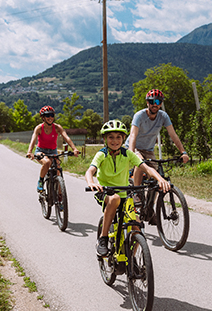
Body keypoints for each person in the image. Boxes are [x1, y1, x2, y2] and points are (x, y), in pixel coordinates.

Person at [85, 120, 170, 256]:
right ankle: (103, 238)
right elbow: (90, 171)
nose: (115, 140)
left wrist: (160, 179)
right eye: (111, 137)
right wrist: (91, 182)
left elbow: (146, 168)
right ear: (105, 139)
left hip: (124, 194)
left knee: (137, 227)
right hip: (105, 192)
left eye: (118, 137)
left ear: (124, 138)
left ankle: (132, 262)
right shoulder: (102, 154)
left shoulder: (127, 154)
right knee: (115, 199)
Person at [127, 89, 190, 187]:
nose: (154, 105)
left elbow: (173, 135)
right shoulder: (139, 116)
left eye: (158, 102)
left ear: (161, 103)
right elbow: (133, 135)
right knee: (140, 163)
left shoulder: (163, 116)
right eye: (152, 101)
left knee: (157, 175)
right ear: (147, 102)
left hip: (148, 150)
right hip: (135, 147)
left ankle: (152, 201)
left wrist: (183, 152)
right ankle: (136, 192)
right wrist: (131, 153)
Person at [26, 105, 81, 191]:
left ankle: (60, 197)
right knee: (47, 162)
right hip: (41, 150)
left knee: (58, 169)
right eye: (47, 115)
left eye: (52, 115)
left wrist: (74, 149)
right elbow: (33, 140)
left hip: (53, 151)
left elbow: (66, 137)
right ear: (43, 117)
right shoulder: (39, 128)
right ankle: (40, 181)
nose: (50, 117)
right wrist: (30, 152)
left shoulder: (57, 127)